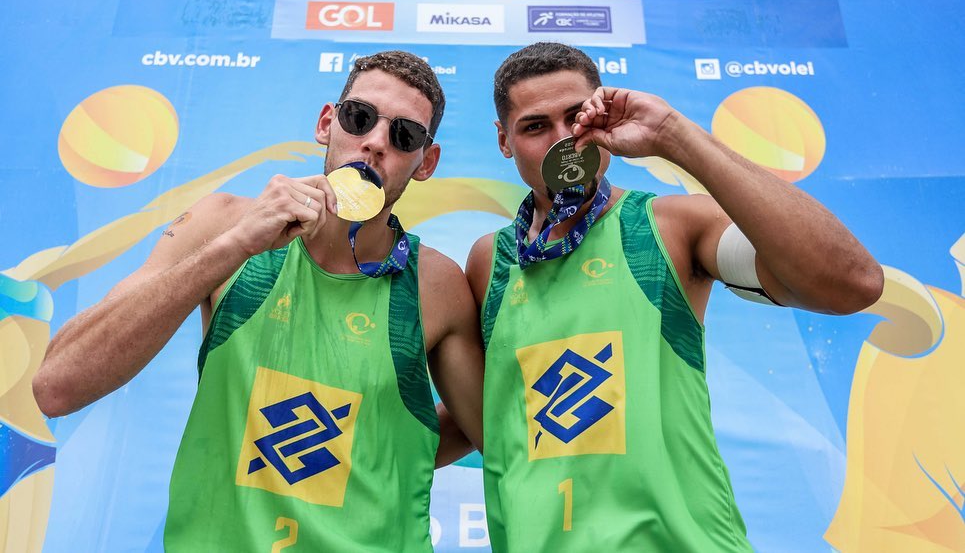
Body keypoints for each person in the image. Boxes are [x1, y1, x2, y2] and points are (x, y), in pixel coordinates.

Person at [33, 51, 484, 552]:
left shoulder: (435, 285)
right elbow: (58, 386)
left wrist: (377, 451)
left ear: (426, 162)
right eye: (360, 118)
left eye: (404, 135)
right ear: (327, 123)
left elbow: (495, 434)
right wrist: (237, 245)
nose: (376, 142)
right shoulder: (222, 224)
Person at [465, 42, 883, 551]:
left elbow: (852, 283)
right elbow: (483, 418)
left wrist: (673, 135)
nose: (564, 142)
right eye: (535, 127)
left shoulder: (669, 226)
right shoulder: (489, 262)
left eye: (577, 117)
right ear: (504, 141)